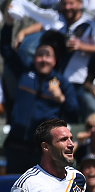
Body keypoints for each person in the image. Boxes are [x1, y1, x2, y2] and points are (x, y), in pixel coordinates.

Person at [0, 17, 78, 174]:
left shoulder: (63, 83)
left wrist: (61, 99)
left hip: (43, 152)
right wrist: (9, 24)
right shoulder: (24, 72)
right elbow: (6, 49)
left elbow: (74, 113)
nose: (44, 59)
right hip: (17, 146)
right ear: (34, 58)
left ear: (54, 61)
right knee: (16, 191)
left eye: (48, 55)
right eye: (40, 55)